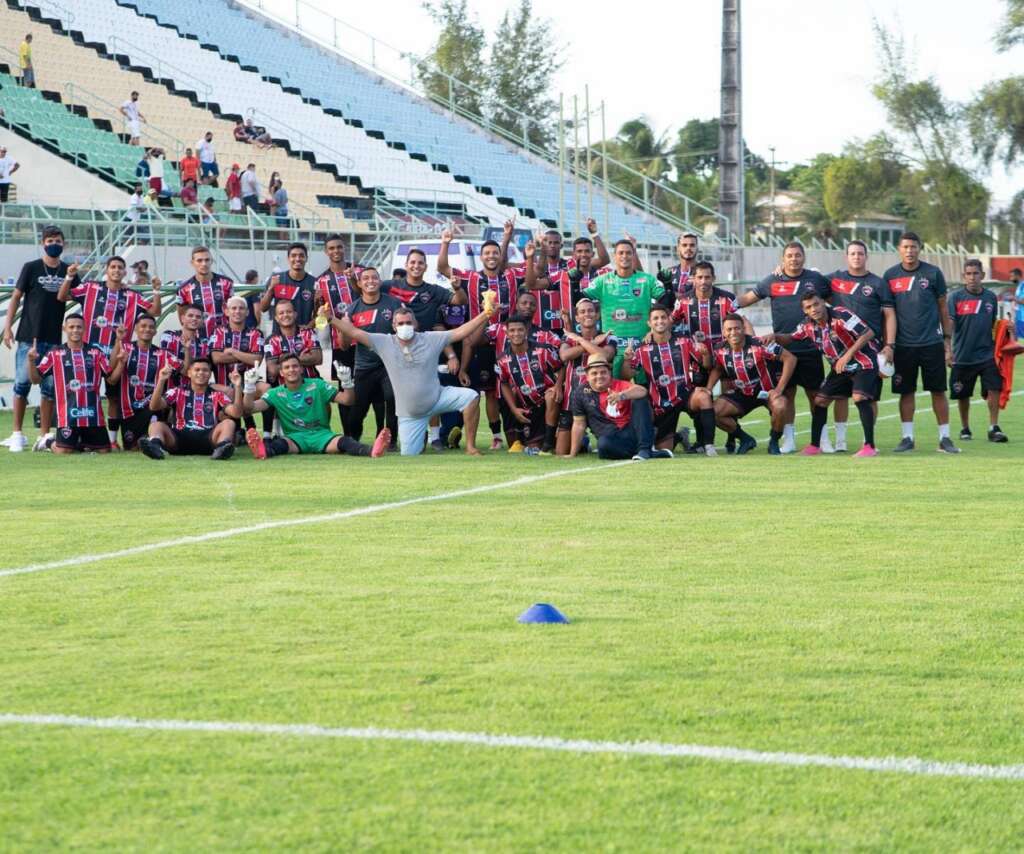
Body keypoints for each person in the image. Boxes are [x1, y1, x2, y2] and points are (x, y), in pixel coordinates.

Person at [333, 296, 499, 455]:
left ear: (416, 324)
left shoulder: (431, 338)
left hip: (437, 398)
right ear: (393, 325)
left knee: (471, 396)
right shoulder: (383, 342)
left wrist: (486, 314)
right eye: (401, 323)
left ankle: (470, 446)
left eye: (408, 323)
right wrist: (330, 319)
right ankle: (421, 438)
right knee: (409, 455)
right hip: (410, 413)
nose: (405, 326)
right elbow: (354, 332)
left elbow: (461, 332)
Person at [736, 242, 832, 453]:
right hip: (784, 351)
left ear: (803, 257)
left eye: (797, 255)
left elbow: (835, 297)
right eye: (789, 255)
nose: (793, 259)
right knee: (786, 395)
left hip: (810, 347)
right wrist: (724, 304)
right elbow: (747, 299)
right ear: (783, 259)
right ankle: (789, 439)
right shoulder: (773, 280)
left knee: (816, 396)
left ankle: (822, 439)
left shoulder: (816, 279)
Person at [767, 294, 881, 458]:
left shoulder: (841, 314)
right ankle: (814, 446)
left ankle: (869, 447)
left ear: (823, 303)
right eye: (808, 307)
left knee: (859, 398)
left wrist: (848, 355)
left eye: (816, 304)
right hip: (840, 368)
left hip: (863, 363)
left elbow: (868, 333)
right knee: (820, 401)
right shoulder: (806, 325)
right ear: (804, 311)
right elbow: (791, 338)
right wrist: (775, 337)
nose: (814, 309)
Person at [439, 227, 520, 449]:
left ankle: (507, 436)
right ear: (481, 257)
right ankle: (473, 434)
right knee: (480, 390)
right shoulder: (471, 277)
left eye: (495, 253)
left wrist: (507, 238)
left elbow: (536, 272)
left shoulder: (511, 276)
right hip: (479, 342)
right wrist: (445, 242)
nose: (491, 256)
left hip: (507, 342)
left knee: (500, 391)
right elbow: (442, 268)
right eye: (487, 253)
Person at [1, 226, 76, 452]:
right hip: (28, 336)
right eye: (51, 240)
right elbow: (16, 297)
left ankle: (44, 436)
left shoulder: (67, 270)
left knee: (49, 389)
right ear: (43, 242)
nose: (55, 244)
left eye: (59, 240)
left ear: (64, 244)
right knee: (21, 385)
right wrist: (7, 328)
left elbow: (79, 294)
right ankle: (17, 434)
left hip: (54, 338)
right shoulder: (31, 268)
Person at [883, 231, 958, 453]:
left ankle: (945, 439)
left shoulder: (933, 273)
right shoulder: (890, 276)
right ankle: (907, 438)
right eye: (905, 247)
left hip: (931, 343)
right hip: (903, 346)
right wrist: (889, 343)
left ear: (919, 248)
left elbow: (943, 308)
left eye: (913, 247)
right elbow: (887, 313)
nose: (909, 251)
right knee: (906, 392)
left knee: (938, 391)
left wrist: (947, 340)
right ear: (899, 249)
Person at [242, 353, 387, 459]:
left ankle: (372, 450)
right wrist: (249, 387)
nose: (291, 370)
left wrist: (347, 383)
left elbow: (348, 400)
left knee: (346, 442)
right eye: (287, 367)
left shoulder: (317, 385)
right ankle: (263, 452)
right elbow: (250, 408)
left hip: (322, 436)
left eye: (295, 366)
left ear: (301, 369)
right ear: (281, 372)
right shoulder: (275, 393)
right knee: (280, 445)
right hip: (295, 438)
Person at [825, 240, 896, 451]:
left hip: (870, 348)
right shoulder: (834, 279)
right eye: (853, 253)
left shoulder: (878, 283)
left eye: (860, 253)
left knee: (869, 396)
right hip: (841, 349)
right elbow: (808, 280)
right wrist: (780, 269)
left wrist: (890, 345)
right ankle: (840, 441)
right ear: (846, 257)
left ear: (866, 256)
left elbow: (890, 315)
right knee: (840, 396)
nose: (857, 257)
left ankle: (869, 441)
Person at [623, 305, 716, 455]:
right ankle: (680, 436)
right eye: (655, 318)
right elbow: (627, 375)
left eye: (663, 317)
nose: (660, 321)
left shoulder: (684, 341)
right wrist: (627, 361)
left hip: (685, 394)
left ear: (669, 320)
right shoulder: (642, 349)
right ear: (649, 323)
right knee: (663, 450)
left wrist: (705, 355)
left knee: (704, 397)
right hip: (660, 401)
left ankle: (709, 446)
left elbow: (706, 365)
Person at [28, 313, 125, 454]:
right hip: (68, 416)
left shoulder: (95, 352)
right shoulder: (54, 353)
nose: (75, 330)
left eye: (79, 327)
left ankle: (79, 444)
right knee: (63, 452)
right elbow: (35, 380)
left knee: (104, 451)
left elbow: (112, 379)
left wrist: (121, 362)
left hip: (93, 416)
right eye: (71, 327)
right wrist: (31, 361)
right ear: (65, 329)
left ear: (84, 328)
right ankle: (48, 442)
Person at [329, 267, 401, 445]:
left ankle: (390, 441)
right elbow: (344, 346)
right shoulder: (352, 309)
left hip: (389, 364)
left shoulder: (393, 304)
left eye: (374, 278)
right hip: (364, 366)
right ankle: (354, 440)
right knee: (357, 411)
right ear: (359, 284)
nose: (370, 281)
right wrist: (343, 329)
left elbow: (406, 328)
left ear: (380, 281)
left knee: (392, 399)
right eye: (366, 278)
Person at [706, 315, 796, 455]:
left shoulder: (760, 344)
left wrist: (779, 388)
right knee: (713, 412)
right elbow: (718, 368)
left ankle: (773, 442)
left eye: (737, 328)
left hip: (767, 392)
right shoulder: (719, 349)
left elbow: (790, 358)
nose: (733, 332)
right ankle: (745, 439)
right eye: (729, 329)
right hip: (742, 393)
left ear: (743, 329)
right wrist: (709, 389)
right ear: (724, 332)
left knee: (781, 406)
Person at [582, 239, 666, 373]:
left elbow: (666, 303)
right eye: (621, 253)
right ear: (615, 256)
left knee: (643, 389)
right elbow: (581, 300)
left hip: (642, 345)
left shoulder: (647, 279)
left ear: (634, 255)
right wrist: (574, 284)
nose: (624, 256)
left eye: (628, 253)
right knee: (613, 388)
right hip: (612, 348)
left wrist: (653, 330)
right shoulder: (602, 281)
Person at [948, 259, 1008, 443]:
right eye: (969, 274)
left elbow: (994, 325)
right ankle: (965, 428)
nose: (972, 277)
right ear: (963, 276)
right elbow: (949, 325)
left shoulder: (990, 297)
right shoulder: (955, 298)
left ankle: (993, 427)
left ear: (982, 275)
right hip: (962, 355)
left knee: (994, 388)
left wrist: (1007, 328)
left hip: (987, 354)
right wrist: (947, 350)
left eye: (976, 273)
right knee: (963, 394)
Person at [568, 355, 669, 460]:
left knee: (640, 400)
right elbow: (579, 424)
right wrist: (572, 453)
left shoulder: (619, 384)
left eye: (603, 372)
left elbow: (642, 391)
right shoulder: (579, 393)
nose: (599, 376)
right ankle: (648, 452)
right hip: (610, 438)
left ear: (609, 373)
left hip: (632, 432)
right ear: (587, 376)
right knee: (603, 446)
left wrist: (621, 395)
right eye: (594, 373)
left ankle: (644, 449)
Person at [140, 358, 241, 460]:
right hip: (178, 440)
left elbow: (236, 413)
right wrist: (161, 380)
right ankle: (155, 446)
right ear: (189, 373)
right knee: (156, 425)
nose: (201, 372)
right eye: (197, 370)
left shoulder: (218, 395)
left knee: (229, 423)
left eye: (205, 370)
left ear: (210, 374)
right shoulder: (176, 392)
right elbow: (154, 406)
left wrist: (237, 386)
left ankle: (222, 449)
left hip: (208, 440)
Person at [496, 315, 564, 453]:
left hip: (551, 401)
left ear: (526, 331)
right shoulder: (502, 360)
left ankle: (548, 444)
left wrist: (557, 386)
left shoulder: (544, 351)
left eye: (520, 330)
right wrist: (514, 409)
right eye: (512, 330)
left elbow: (562, 366)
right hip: (530, 406)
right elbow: (503, 383)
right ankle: (529, 440)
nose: (516, 334)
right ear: (507, 333)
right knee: (533, 447)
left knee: (550, 396)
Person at [556, 298, 616, 455]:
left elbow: (604, 355)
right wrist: (590, 343)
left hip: (600, 401)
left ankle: (585, 440)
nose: (587, 314)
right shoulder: (569, 337)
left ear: (597, 315)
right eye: (582, 312)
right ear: (577, 318)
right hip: (572, 399)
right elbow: (564, 356)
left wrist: (581, 340)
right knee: (561, 451)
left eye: (591, 311)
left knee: (610, 446)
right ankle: (583, 442)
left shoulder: (609, 337)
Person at [314, 234, 357, 432]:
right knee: (343, 386)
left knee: (368, 387)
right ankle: (349, 432)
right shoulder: (321, 281)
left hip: (364, 340)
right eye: (331, 248)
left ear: (344, 248)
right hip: (339, 344)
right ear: (326, 252)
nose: (336, 251)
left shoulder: (358, 272)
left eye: (339, 247)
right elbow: (318, 315)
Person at [114, 312, 162, 450]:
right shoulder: (125, 348)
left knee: (149, 441)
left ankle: (154, 439)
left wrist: (187, 349)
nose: (147, 329)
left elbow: (184, 370)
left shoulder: (162, 354)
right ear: (135, 329)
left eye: (151, 327)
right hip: (128, 409)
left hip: (150, 406)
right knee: (132, 449)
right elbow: (111, 374)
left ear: (155, 331)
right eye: (143, 326)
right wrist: (118, 341)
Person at [177, 246, 234, 338]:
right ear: (192, 263)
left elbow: (233, 311)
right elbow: (182, 319)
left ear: (211, 261)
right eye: (199, 260)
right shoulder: (184, 289)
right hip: (197, 341)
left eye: (207, 260)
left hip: (223, 339)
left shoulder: (226, 283)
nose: (204, 264)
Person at [263, 299, 321, 385]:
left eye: (289, 312)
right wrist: (302, 358)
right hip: (283, 390)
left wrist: (283, 361)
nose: (285, 315)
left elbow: (318, 359)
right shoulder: (271, 341)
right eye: (281, 313)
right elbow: (273, 370)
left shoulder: (308, 333)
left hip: (311, 384)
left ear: (295, 314)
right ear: (276, 318)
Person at [260, 242, 318, 328]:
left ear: (306, 258)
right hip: (279, 336)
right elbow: (263, 308)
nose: (297, 259)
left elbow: (320, 315)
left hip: (305, 337)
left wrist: (308, 328)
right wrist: (271, 289)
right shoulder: (277, 279)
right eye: (293, 256)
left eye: (301, 256)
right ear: (288, 259)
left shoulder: (315, 283)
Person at [160, 304, 211, 389]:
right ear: (182, 318)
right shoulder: (169, 335)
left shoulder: (204, 345)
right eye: (190, 316)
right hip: (171, 391)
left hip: (194, 393)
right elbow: (185, 371)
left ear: (202, 321)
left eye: (198, 317)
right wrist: (187, 350)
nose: (194, 319)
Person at [1012, 267, 1024, 339]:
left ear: (1017, 276)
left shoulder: (1023, 286)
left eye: (1012, 276)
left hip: (1022, 319)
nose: (1011, 278)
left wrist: (1012, 298)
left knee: (1021, 342)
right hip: (1019, 318)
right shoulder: (1019, 286)